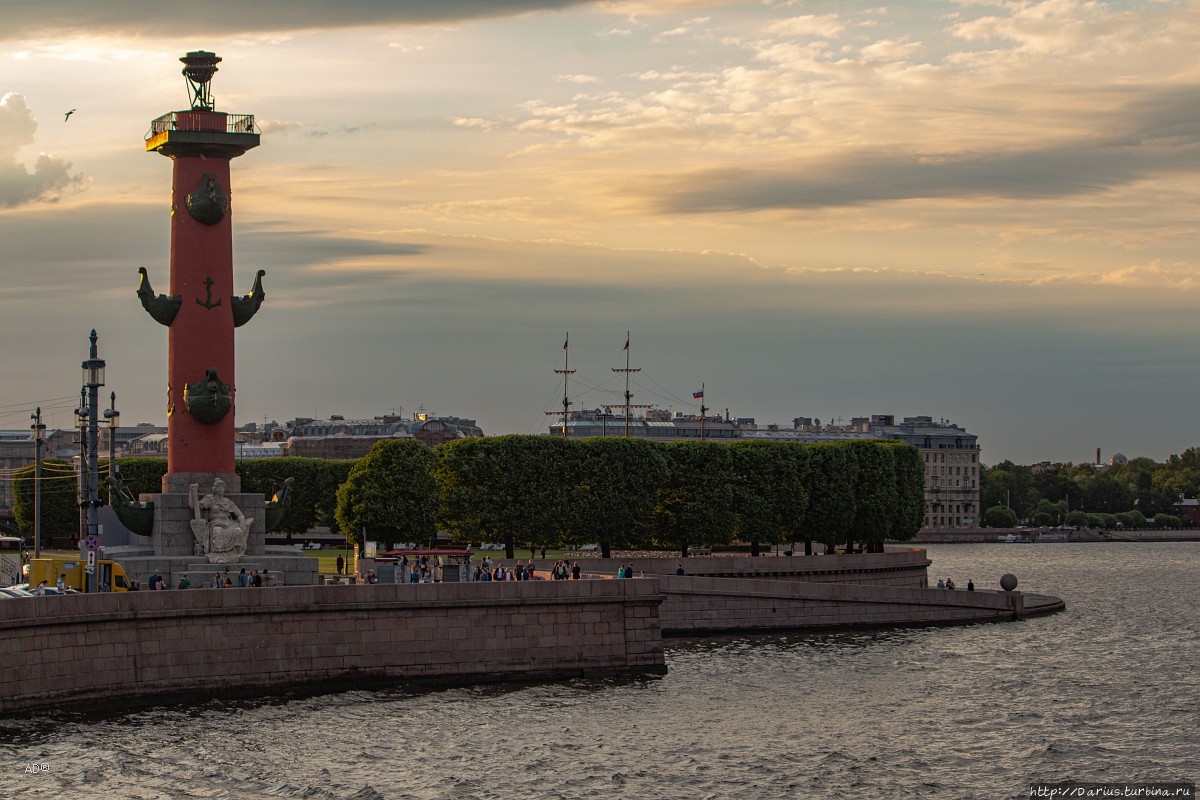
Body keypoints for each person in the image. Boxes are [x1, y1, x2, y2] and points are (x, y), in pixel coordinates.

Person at [189, 479, 253, 563]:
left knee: (237, 531)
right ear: (215, 489)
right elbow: (194, 506)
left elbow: (240, 515)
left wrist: (242, 523)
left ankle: (234, 554)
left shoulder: (227, 502)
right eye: (219, 487)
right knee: (218, 531)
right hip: (215, 523)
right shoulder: (210, 499)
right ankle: (218, 556)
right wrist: (192, 493)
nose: (221, 489)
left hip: (228, 523)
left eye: (223, 487)